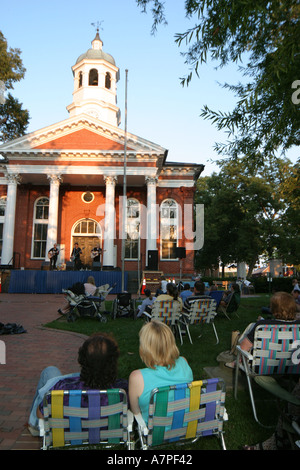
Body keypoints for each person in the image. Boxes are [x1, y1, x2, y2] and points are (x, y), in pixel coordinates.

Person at [28, 332, 127, 436]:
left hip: (68, 435)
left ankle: (33, 426)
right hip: (106, 433)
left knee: (50, 371)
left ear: (82, 360)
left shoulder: (63, 387)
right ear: (113, 362)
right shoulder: (122, 390)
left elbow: (40, 413)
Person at [128, 321, 193, 424]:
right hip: (186, 428)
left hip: (155, 434)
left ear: (144, 348)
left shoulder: (137, 377)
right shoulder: (183, 362)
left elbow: (136, 412)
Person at [225, 291, 300, 369]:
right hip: (291, 368)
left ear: (274, 309)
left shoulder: (262, 326)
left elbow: (243, 348)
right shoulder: (297, 326)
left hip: (263, 368)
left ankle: (236, 362)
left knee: (249, 333)